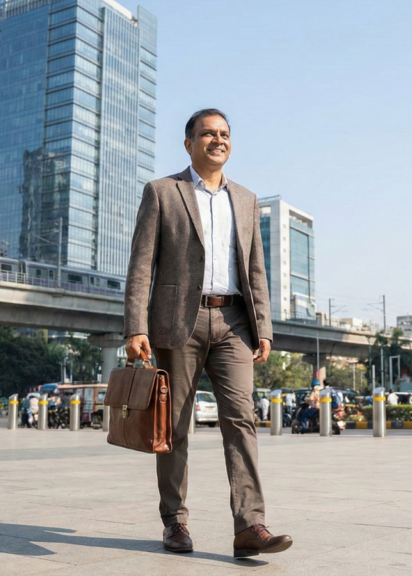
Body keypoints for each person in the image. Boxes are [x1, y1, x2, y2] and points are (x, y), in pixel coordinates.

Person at [123, 109, 292, 558]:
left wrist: (265, 328)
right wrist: (135, 326)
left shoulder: (247, 198)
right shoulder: (162, 192)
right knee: (174, 425)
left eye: (224, 134)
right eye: (208, 134)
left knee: (242, 420)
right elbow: (142, 265)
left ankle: (250, 525)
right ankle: (175, 522)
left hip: (235, 322)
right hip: (179, 321)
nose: (217, 140)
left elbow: (255, 268)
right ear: (189, 143)